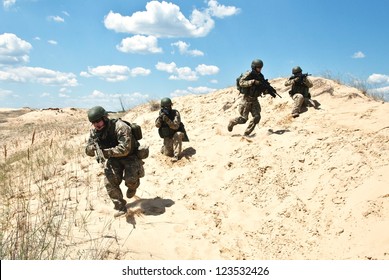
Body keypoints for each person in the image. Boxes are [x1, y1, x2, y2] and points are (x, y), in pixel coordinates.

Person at [85, 106, 145, 217]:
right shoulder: (94, 131)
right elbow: (87, 150)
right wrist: (92, 149)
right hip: (114, 158)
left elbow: (125, 149)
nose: (96, 125)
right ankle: (120, 207)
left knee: (130, 181)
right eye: (93, 122)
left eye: (98, 121)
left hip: (130, 156)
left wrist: (105, 152)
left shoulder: (120, 127)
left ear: (105, 118)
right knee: (109, 182)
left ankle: (133, 186)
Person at [228, 59, 276, 136]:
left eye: (261, 67)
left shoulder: (261, 76)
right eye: (258, 67)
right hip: (246, 100)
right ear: (254, 67)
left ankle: (247, 133)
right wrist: (253, 81)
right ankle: (232, 122)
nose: (260, 69)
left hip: (255, 100)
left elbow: (262, 89)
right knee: (244, 119)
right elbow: (241, 82)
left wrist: (268, 91)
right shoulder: (249, 74)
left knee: (257, 117)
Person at [155, 97, 189, 162]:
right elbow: (157, 125)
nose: (167, 108)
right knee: (168, 154)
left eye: (169, 106)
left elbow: (176, 126)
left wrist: (167, 120)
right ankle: (164, 148)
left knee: (178, 135)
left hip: (177, 132)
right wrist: (160, 119)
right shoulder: (161, 114)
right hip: (168, 135)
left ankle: (176, 156)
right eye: (165, 107)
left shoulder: (175, 113)